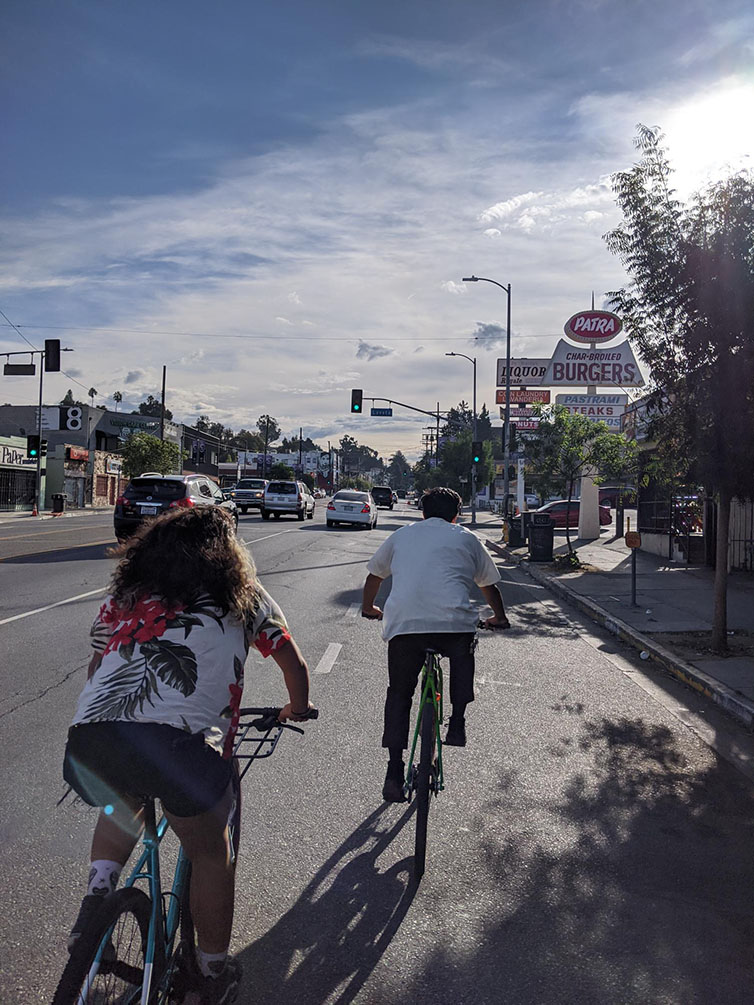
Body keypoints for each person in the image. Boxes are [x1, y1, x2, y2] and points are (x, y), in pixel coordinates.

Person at [63, 505, 314, 1004]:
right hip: (181, 747)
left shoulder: (125, 596)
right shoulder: (244, 596)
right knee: (209, 850)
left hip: (92, 737)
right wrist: (297, 708)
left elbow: (98, 667)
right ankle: (211, 973)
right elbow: (292, 660)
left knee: (122, 800)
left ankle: (93, 912)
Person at [361, 486, 509, 802]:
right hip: (453, 627)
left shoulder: (402, 536)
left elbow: (374, 576)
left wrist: (369, 608)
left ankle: (393, 771)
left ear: (423, 511)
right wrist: (499, 618)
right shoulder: (467, 538)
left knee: (399, 694)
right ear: (456, 514)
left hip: (406, 628)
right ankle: (457, 722)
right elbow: (489, 586)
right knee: (464, 651)